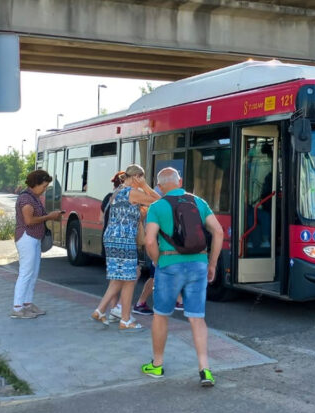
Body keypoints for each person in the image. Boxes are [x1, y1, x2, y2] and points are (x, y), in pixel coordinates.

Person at [141, 167, 224, 387]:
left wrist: (158, 261)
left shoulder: (157, 206)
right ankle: (205, 369)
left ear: (159, 186)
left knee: (161, 315)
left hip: (169, 263)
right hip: (198, 263)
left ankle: (157, 365)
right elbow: (218, 231)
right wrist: (212, 263)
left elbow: (149, 241)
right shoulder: (199, 202)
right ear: (180, 181)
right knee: (197, 318)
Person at [92, 164, 160, 329]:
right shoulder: (133, 192)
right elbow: (159, 201)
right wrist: (144, 186)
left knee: (118, 279)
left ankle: (100, 310)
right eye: (141, 178)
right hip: (124, 239)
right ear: (137, 177)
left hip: (112, 237)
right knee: (129, 280)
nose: (142, 182)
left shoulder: (117, 191)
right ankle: (125, 320)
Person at [12, 169, 63, 319]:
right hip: (26, 237)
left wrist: (51, 216)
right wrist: (49, 216)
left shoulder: (33, 197)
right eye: (44, 186)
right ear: (35, 184)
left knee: (32, 273)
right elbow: (29, 221)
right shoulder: (26, 199)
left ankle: (27, 304)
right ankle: (17, 307)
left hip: (34, 238)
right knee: (26, 273)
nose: (45, 189)